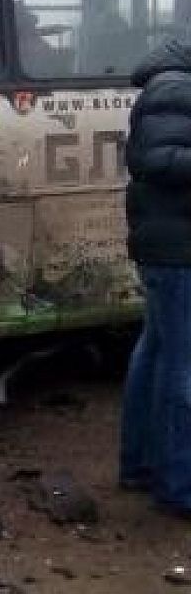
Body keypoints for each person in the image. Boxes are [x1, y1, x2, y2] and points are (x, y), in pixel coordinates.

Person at [121, 40, 191, 515]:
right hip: (178, 250)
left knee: (156, 355)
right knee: (183, 369)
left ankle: (141, 464)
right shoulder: (175, 91)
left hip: (167, 245)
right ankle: (179, 487)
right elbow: (157, 161)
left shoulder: (171, 85)